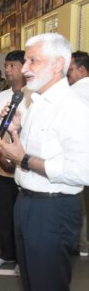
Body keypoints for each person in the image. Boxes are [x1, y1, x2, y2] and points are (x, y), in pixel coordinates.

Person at [0, 34, 89, 291]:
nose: (24, 68)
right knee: (31, 282)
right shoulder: (36, 103)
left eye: (32, 61)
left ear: (57, 64)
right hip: (26, 202)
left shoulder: (73, 107)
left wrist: (23, 159)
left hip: (52, 210)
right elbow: (32, 152)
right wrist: (16, 130)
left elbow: (83, 170)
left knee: (47, 284)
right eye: (26, 61)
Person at [0, 50, 29, 268]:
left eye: (12, 65)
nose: (8, 70)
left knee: (24, 217)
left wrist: (18, 160)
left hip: (25, 169)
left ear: (25, 67)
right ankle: (7, 253)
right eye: (7, 65)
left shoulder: (33, 99)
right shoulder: (1, 97)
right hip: (1, 167)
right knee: (4, 213)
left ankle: (23, 257)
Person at [67, 51, 89, 256]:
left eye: (70, 70)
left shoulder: (71, 94)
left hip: (78, 158)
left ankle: (81, 244)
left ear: (82, 70)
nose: (68, 74)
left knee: (76, 199)